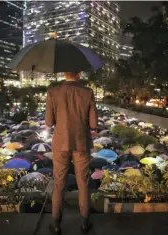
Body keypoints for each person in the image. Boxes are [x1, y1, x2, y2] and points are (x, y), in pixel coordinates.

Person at [45, 71, 98, 235]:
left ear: (64, 73)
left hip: (60, 143)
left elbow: (48, 122)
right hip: (81, 143)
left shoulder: (53, 92)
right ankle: (84, 221)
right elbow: (93, 123)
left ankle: (55, 223)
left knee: (59, 183)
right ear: (80, 73)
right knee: (83, 182)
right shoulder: (87, 92)